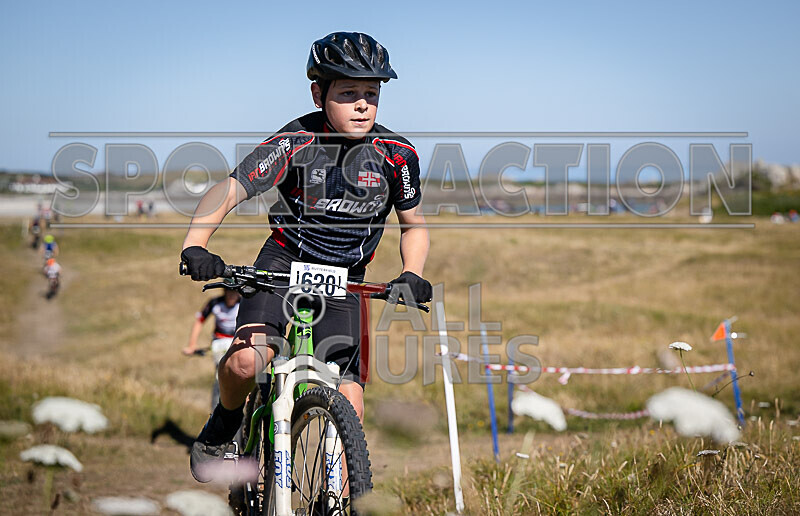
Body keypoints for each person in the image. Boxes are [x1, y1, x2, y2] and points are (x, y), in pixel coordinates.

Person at [180, 31, 432, 483]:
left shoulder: (398, 154)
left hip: (345, 279)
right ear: (319, 94)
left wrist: (412, 273)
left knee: (350, 400)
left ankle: (338, 495)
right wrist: (195, 244)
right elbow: (230, 189)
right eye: (348, 93)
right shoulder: (294, 141)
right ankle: (224, 424)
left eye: (371, 94)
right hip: (282, 266)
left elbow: (413, 225)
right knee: (246, 361)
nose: (361, 105)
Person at [183, 288, 242, 410]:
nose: (232, 295)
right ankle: (217, 408)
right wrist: (192, 345)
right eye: (229, 292)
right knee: (221, 374)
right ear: (224, 292)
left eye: (234, 292)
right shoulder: (215, 303)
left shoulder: (242, 304)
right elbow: (199, 321)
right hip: (219, 343)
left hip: (236, 342)